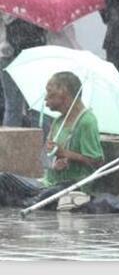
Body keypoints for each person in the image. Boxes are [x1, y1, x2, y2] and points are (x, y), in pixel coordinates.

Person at [0, 72, 104, 207]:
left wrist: (67, 154)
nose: (46, 98)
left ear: (65, 95)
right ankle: (31, 202)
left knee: (49, 193)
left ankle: (34, 202)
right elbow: (45, 159)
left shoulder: (86, 121)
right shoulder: (58, 122)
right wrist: (54, 163)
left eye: (50, 93)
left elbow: (97, 162)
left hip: (73, 186)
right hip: (47, 183)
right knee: (3, 180)